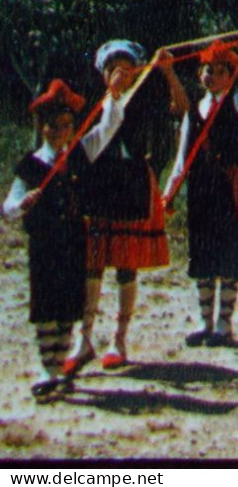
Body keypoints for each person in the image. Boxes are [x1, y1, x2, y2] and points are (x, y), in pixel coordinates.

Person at [66, 40, 188, 375]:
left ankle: (119, 339)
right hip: (98, 184)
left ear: (137, 70)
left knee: (125, 261)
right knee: (92, 262)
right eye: (112, 68)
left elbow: (182, 112)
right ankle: (85, 338)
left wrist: (167, 72)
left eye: (126, 67)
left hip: (133, 182)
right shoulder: (91, 104)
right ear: (102, 72)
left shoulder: (147, 100)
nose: (119, 73)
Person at [162, 33, 238, 347]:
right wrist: (169, 193)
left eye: (220, 70)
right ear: (200, 75)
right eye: (208, 70)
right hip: (200, 190)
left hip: (227, 188)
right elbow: (183, 156)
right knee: (203, 256)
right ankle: (204, 321)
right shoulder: (193, 111)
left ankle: (224, 323)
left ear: (231, 75)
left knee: (228, 256)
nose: (213, 76)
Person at [3, 81, 111, 399]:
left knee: (67, 309)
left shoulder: (78, 155)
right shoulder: (31, 165)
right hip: (44, 247)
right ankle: (47, 368)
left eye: (65, 126)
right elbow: (8, 206)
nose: (59, 132)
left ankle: (59, 367)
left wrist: (115, 96)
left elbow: (108, 127)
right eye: (52, 125)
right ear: (41, 126)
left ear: (73, 127)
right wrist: (21, 205)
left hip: (72, 243)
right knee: (45, 308)